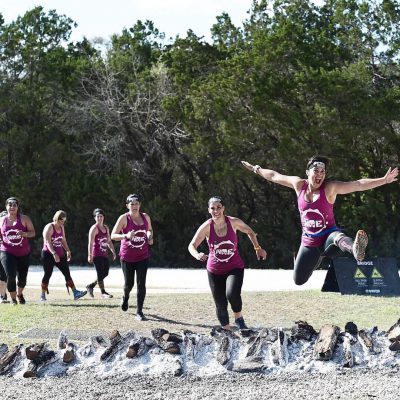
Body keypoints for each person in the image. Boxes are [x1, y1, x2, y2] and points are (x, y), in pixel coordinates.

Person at [241, 156, 399, 285]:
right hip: (309, 242)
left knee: (337, 237)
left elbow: (357, 184)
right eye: (316, 171)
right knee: (299, 280)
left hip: (328, 236)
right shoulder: (298, 184)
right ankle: (318, 259)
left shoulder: (330, 188)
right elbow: (275, 176)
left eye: (323, 171)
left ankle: (355, 250)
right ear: (307, 172)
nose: (320, 175)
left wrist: (383, 180)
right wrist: (256, 169)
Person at [188, 196, 267, 330]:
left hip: (234, 267)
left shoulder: (233, 222)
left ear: (223, 208)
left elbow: (250, 231)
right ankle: (226, 329)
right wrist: (197, 254)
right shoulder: (207, 227)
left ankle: (239, 318)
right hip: (214, 270)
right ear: (209, 210)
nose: (216, 210)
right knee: (220, 303)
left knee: (232, 294)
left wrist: (258, 248)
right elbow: (192, 245)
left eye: (219, 207)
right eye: (213, 208)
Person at [111, 194, 153, 321]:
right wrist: (126, 236)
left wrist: (149, 236)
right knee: (129, 284)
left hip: (143, 256)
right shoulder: (124, 218)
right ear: (127, 205)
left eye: (136, 203)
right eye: (132, 203)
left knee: (141, 283)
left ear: (140, 204)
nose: (134, 206)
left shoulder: (145, 217)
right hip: (127, 257)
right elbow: (113, 235)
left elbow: (150, 229)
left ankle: (139, 312)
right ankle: (125, 296)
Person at [40, 210, 87, 301]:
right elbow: (48, 242)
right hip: (48, 254)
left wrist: (68, 251)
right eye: (61, 219)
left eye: (64, 220)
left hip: (60, 254)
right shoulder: (49, 227)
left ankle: (75, 293)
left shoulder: (61, 227)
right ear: (56, 218)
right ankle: (42, 295)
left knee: (67, 272)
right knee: (48, 274)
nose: (62, 222)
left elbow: (63, 240)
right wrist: (54, 253)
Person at [0, 197, 35, 305]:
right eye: (10, 205)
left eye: (15, 205)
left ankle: (20, 294)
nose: (12, 207)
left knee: (22, 279)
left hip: (23, 253)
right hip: (7, 252)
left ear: (17, 207)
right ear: (6, 206)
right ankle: (13, 299)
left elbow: (33, 232)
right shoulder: (1, 220)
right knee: (10, 275)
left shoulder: (24, 219)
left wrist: (24, 234)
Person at [86, 208, 116, 298]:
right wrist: (89, 255)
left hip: (104, 254)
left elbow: (109, 241)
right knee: (99, 273)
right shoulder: (94, 228)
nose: (99, 218)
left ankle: (90, 286)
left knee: (105, 273)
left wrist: (113, 251)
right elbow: (90, 243)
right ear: (95, 218)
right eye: (97, 216)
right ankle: (103, 293)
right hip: (96, 255)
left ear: (103, 217)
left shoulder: (106, 228)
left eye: (101, 216)